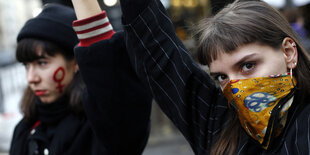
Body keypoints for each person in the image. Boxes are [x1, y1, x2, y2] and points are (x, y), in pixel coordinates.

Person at [73, 0, 310, 154]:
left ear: (289, 52)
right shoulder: (218, 124)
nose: (238, 87)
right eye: (221, 77)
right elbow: (157, 50)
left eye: (248, 66)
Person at [10, 3, 152, 155]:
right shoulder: (24, 130)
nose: (31, 78)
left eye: (42, 63)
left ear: (75, 62)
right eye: (26, 65)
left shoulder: (101, 125)